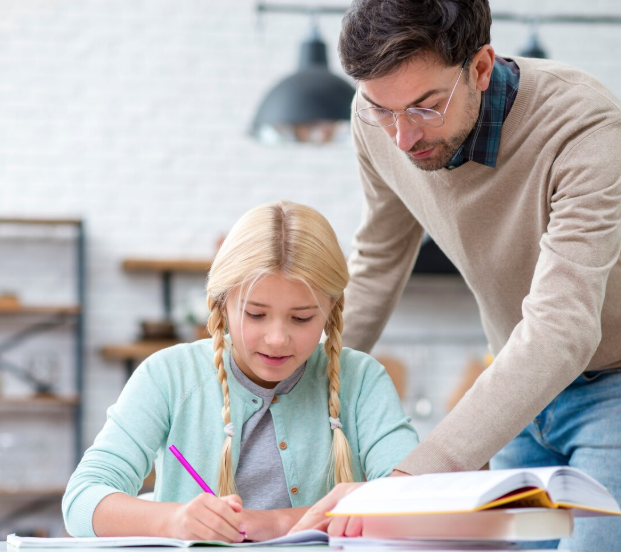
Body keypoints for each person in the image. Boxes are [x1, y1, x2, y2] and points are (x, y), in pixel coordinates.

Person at [291, 1, 621, 549]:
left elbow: (564, 329)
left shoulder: (584, 128)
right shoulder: (375, 120)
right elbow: (378, 258)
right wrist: (298, 383)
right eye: (382, 109)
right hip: (518, 401)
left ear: (482, 68)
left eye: (424, 107)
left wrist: (407, 483)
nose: (401, 137)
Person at [63, 200, 418, 542]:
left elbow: (415, 501)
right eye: (255, 314)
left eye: (301, 318)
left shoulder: (363, 381)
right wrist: (173, 520)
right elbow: (81, 500)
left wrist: (275, 521)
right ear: (223, 302)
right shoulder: (168, 376)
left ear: (331, 308)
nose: (277, 339)